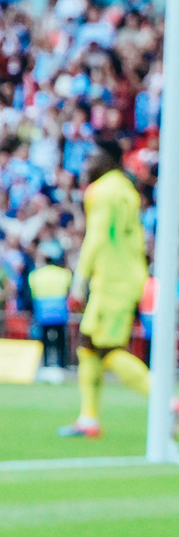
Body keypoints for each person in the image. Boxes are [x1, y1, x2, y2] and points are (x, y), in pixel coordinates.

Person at [59, 141, 157, 438]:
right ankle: (89, 419)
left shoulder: (102, 190)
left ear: (108, 159)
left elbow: (97, 237)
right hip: (123, 276)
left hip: (114, 280)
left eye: (92, 156)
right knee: (88, 347)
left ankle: (168, 402)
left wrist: (79, 281)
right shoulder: (126, 188)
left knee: (108, 348)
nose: (86, 162)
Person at [29, 242, 73, 371]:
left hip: (42, 312)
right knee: (61, 341)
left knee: (44, 340)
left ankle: (46, 364)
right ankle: (62, 364)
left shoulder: (35, 275)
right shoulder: (64, 273)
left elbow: (32, 294)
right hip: (60, 312)